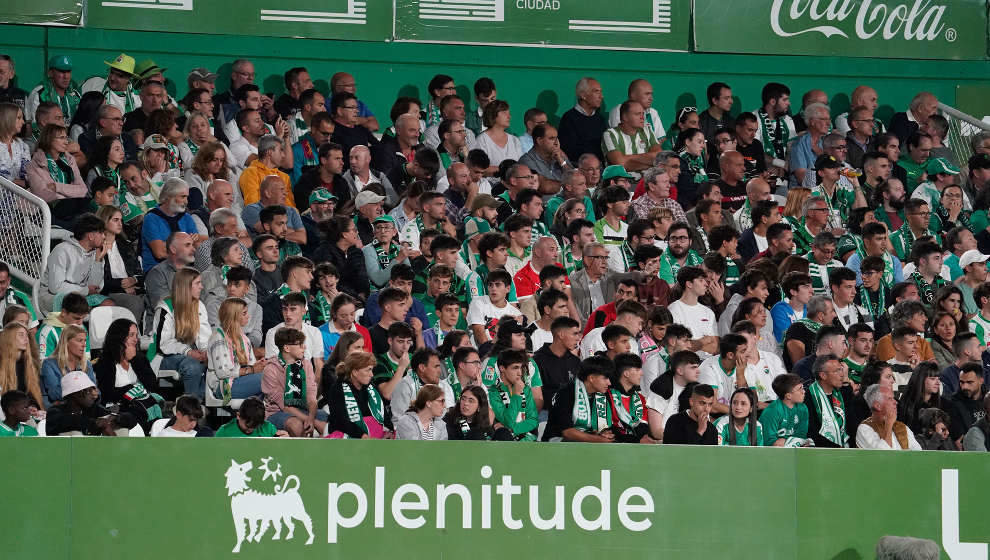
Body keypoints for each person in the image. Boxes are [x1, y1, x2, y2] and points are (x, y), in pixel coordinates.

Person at [147, 267, 210, 400]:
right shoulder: (165, 308)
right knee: (192, 366)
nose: (202, 287)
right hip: (163, 356)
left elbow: (204, 336)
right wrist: (188, 351)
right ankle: (191, 408)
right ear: (186, 286)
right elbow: (163, 344)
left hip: (189, 354)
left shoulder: (199, 306)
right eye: (198, 283)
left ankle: (197, 405)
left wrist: (205, 352)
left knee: (214, 362)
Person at [93, 318, 163, 430]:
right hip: (119, 409)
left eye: (136, 335)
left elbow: (152, 385)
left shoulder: (139, 359)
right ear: (119, 337)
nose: (136, 339)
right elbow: (107, 394)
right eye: (131, 335)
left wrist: (135, 360)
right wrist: (131, 389)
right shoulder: (106, 362)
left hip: (142, 406)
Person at [263, 326, 327, 437]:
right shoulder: (270, 369)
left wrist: (311, 419)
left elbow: (312, 397)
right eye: (300, 344)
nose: (304, 347)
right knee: (296, 425)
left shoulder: (306, 364)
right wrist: (313, 422)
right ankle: (302, 454)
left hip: (304, 409)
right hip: (277, 412)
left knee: (330, 421)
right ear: (287, 348)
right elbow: (285, 406)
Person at [39, 213, 108, 313]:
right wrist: (85, 290)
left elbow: (95, 288)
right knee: (75, 305)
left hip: (79, 297)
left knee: (107, 304)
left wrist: (98, 260)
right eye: (101, 233)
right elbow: (55, 288)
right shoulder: (62, 250)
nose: (104, 237)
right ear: (91, 236)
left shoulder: (95, 253)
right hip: (52, 297)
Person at [206, 298, 265, 406]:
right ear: (234, 315)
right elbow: (223, 372)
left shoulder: (245, 339)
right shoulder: (218, 337)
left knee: (272, 373)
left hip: (242, 381)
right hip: (224, 386)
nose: (248, 316)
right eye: (244, 313)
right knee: (267, 378)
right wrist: (252, 369)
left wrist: (260, 365)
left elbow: (251, 366)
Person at [25, 123, 87, 219]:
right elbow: (42, 194)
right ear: (49, 139)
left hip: (70, 205)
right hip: (45, 211)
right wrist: (70, 193)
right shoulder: (35, 164)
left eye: (66, 138)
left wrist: (56, 186)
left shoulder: (69, 160)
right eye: (61, 138)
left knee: (88, 204)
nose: (66, 142)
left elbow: (83, 190)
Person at [45, 370, 129, 436]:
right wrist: (95, 423)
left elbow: (131, 419)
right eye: (89, 391)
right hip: (64, 454)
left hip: (92, 453)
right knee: (74, 433)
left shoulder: (93, 409)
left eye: (93, 390)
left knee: (122, 429)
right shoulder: (55, 411)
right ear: (75, 394)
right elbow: (70, 421)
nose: (94, 395)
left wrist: (116, 418)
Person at [326, 351, 388, 439]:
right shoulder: (337, 389)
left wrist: (389, 429)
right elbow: (340, 421)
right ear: (355, 372)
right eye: (368, 370)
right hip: (349, 435)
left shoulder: (371, 387)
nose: (372, 375)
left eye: (372, 370)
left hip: (373, 436)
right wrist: (362, 435)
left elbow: (383, 412)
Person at [313, 216, 369, 301]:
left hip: (357, 299)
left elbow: (363, 277)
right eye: (354, 230)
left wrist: (362, 294)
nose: (357, 233)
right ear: (344, 234)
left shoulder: (356, 252)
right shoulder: (324, 252)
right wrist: (355, 298)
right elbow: (330, 282)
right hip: (333, 298)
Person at [39, 324, 94, 408]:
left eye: (85, 340)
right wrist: (85, 392)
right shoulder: (49, 364)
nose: (84, 345)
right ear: (66, 342)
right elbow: (55, 394)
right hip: (59, 411)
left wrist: (89, 394)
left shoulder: (87, 364)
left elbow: (96, 393)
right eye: (80, 341)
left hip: (86, 409)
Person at [668, 266, 719, 357]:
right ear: (689, 284)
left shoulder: (708, 312)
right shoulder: (673, 310)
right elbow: (678, 346)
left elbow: (715, 346)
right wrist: (705, 340)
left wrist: (695, 344)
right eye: (700, 280)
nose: (706, 284)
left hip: (708, 364)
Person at [857, 384, 922, 450]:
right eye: (890, 399)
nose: (896, 402)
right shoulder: (864, 429)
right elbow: (882, 456)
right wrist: (889, 424)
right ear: (877, 406)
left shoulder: (903, 427)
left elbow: (918, 455)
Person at [804, 354, 849, 448]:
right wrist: (836, 449)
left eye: (841, 369)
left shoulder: (840, 394)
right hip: (820, 453)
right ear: (823, 375)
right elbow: (811, 432)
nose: (842, 374)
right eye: (837, 371)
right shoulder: (808, 397)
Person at [558, 77, 607, 163]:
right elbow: (569, 151)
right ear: (583, 95)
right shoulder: (569, 119)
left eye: (601, 92)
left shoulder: (600, 119)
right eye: (596, 91)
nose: (601, 96)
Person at [759, 374, 811, 446]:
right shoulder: (772, 411)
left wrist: (786, 441)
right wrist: (791, 441)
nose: (804, 391)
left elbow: (801, 436)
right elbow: (769, 442)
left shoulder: (803, 408)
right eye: (800, 389)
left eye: (803, 387)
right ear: (788, 396)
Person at [948, 362, 986, 448]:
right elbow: (960, 438)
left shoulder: (988, 399)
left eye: (969, 382)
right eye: (961, 382)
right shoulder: (952, 403)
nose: (964, 387)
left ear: (981, 381)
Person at [214, 396, 285, 437]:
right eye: (247, 426)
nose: (250, 430)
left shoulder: (268, 428)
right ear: (238, 416)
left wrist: (285, 441)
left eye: (255, 427)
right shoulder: (224, 432)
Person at [0, 103, 30, 186]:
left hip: (20, 194)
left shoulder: (23, 146)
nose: (23, 122)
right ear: (7, 119)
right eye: (19, 118)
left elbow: (27, 173)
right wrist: (15, 181)